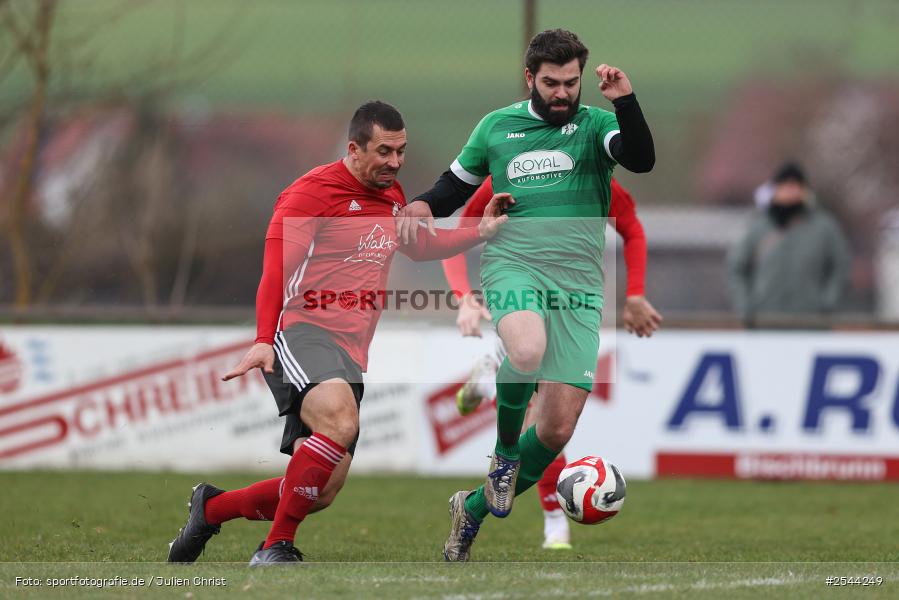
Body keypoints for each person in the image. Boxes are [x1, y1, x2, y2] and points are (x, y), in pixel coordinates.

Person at [166, 101, 508, 566]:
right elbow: (274, 273)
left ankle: (210, 509)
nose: (395, 162)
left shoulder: (391, 194)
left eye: (401, 151)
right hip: (302, 333)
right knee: (341, 423)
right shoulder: (309, 195)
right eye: (384, 151)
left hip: (350, 353)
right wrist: (264, 338)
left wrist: (478, 231)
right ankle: (274, 547)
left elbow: (419, 245)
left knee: (320, 490)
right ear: (354, 149)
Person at [396, 29, 655, 562]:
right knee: (527, 349)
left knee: (556, 430)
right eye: (552, 83)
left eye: (571, 83)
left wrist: (625, 102)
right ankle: (504, 453)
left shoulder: (596, 126)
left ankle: (470, 510)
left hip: (580, 288)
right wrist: (423, 204)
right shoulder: (497, 127)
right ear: (530, 78)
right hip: (514, 266)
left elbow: (641, 158)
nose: (563, 93)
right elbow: (456, 185)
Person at [443, 175, 661, 550]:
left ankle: (473, 506)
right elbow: (456, 237)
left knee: (554, 430)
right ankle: (554, 521)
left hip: (576, 304)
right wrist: (464, 297)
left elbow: (632, 228)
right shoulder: (508, 171)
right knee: (531, 381)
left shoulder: (594, 175)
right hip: (519, 293)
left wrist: (636, 294)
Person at [728, 162, 851, 326]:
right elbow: (737, 268)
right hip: (766, 323)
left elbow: (841, 265)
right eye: (785, 186)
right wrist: (746, 308)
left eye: (795, 186)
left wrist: (827, 302)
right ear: (775, 190)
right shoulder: (758, 227)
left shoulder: (824, 227)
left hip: (810, 324)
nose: (790, 192)